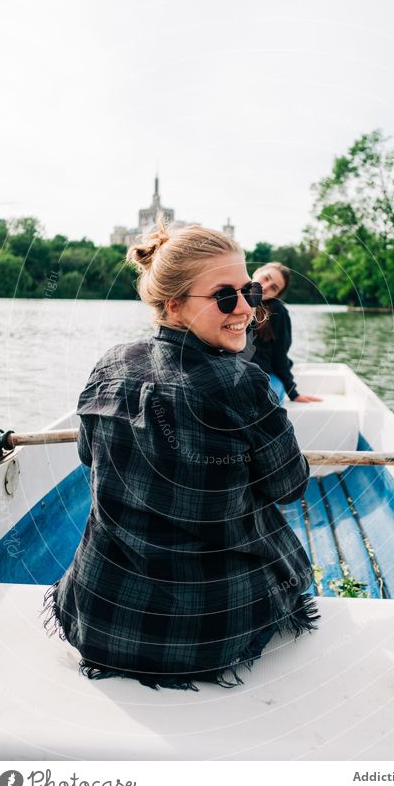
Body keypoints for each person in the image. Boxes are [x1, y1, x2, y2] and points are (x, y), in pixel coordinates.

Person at [41, 216, 319, 691]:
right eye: (224, 296)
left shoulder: (110, 362)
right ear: (172, 305)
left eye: (250, 292)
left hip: (102, 611)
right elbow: (290, 486)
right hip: (208, 627)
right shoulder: (243, 382)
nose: (246, 309)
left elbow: (89, 457)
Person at [246, 262, 323, 404]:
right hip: (237, 372)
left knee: (265, 404)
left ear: (276, 295)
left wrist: (293, 393)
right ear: (256, 271)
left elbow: (279, 356)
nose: (265, 287)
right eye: (266, 278)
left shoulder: (278, 312)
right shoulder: (233, 300)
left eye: (274, 288)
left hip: (268, 373)